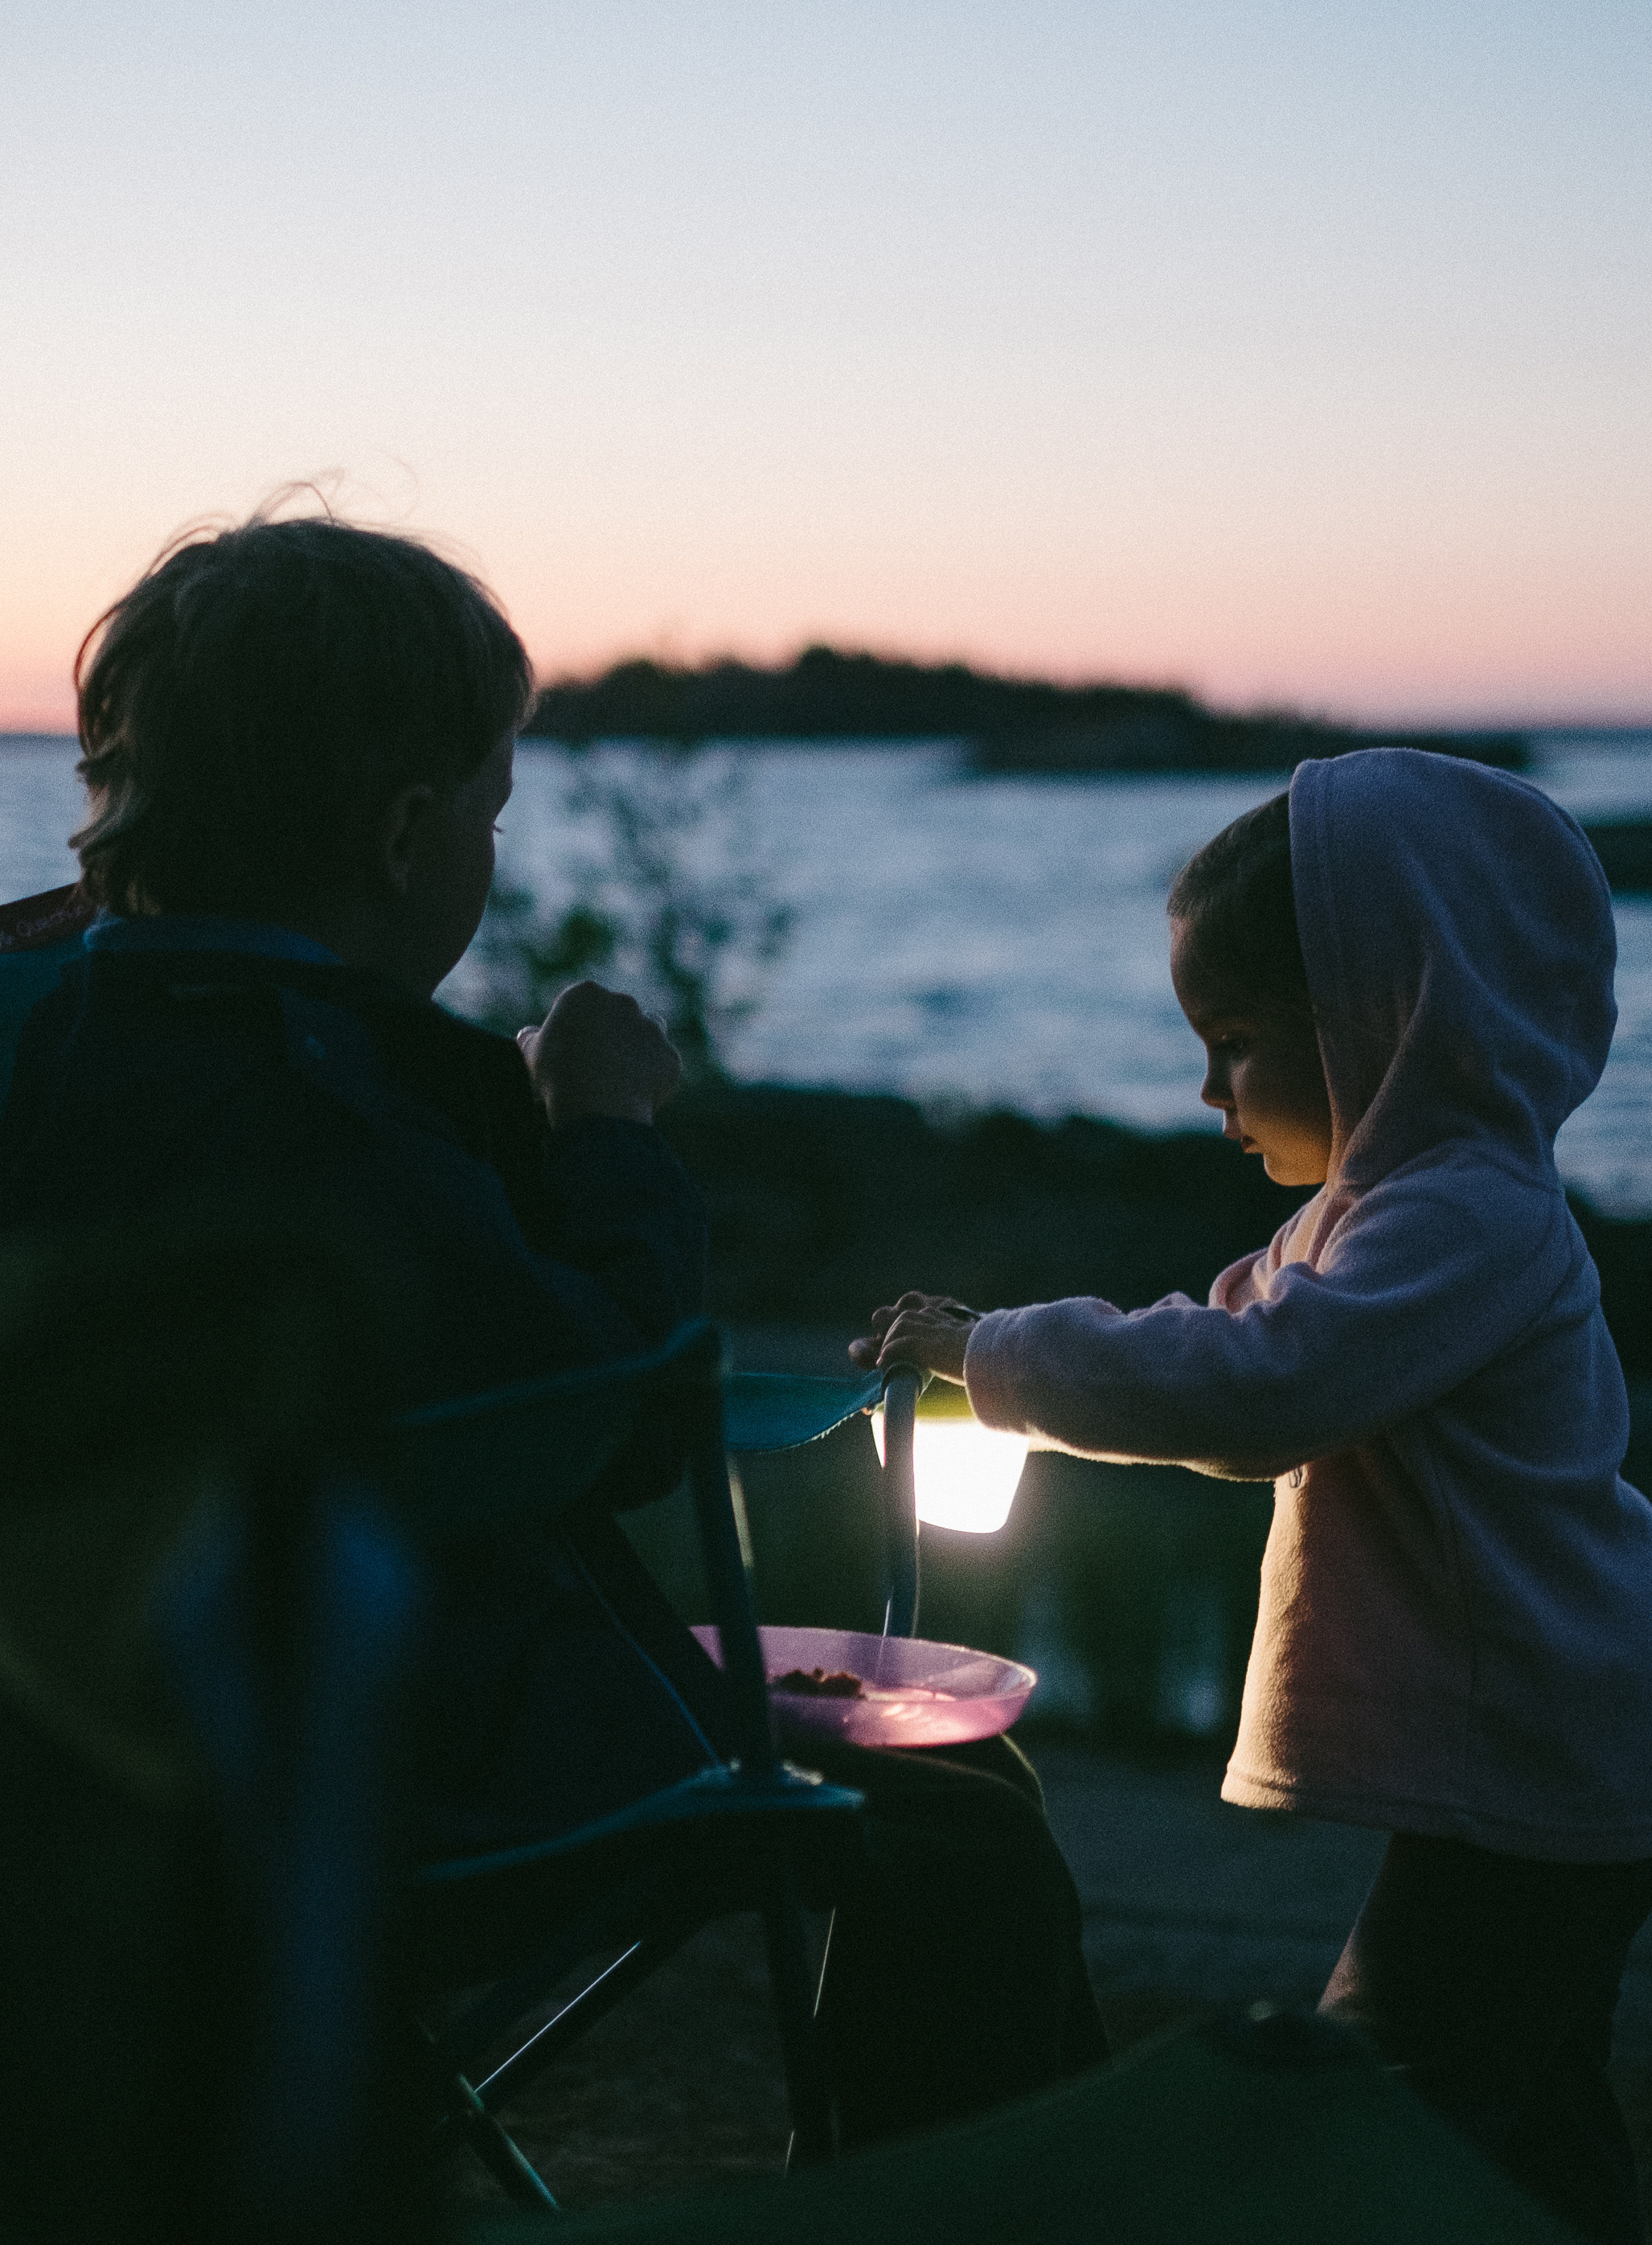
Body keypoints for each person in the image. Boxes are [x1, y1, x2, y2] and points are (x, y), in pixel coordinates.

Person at [0, 506, 1105, 2147]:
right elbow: (617, 1415)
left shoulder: (43, 1032)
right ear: (402, 833)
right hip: (375, 1767)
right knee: (956, 1806)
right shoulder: (334, 1112)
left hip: (59, 1764)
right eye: (491, 813)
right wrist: (604, 1133)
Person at [853, 753, 1652, 2245]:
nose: (1206, 1093)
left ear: (1385, 1013)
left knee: (1365, 2102)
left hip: (1556, 1751)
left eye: (1236, 1042)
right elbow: (1209, 1335)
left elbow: (1256, 1388)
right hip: (1552, 1749)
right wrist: (1006, 1348)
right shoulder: (1373, 1216)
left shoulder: (1466, 1214)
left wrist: (994, 1359)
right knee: (1525, 2112)